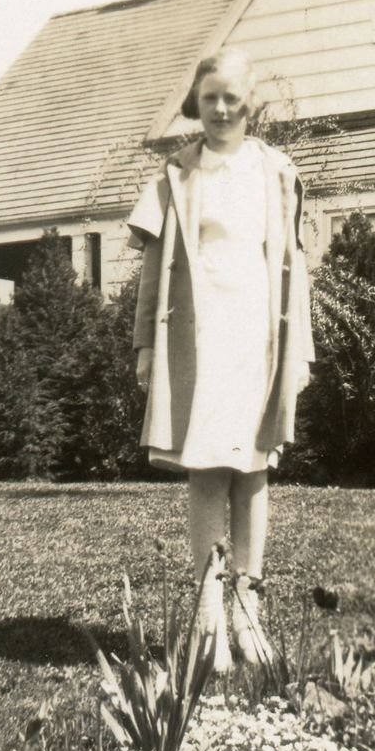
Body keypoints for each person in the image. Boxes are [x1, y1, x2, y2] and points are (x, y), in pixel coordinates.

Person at [127, 48, 314, 670]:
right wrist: (146, 345)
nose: (222, 108)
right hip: (198, 340)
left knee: (254, 469)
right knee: (207, 466)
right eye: (211, 97)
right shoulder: (178, 174)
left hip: (258, 336)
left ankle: (248, 609)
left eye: (232, 96)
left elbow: (295, 266)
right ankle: (209, 613)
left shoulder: (277, 172)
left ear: (251, 102)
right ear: (197, 102)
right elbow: (154, 270)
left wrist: (302, 349)